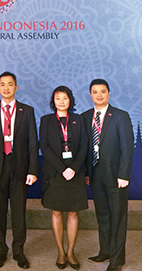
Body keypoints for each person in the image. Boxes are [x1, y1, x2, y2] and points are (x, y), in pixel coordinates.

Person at [0, 71, 39, 269]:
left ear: (16, 87)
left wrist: (33, 170)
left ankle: (19, 251)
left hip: (20, 168)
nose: (6, 88)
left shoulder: (27, 111)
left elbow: (33, 143)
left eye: (10, 84)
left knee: (18, 211)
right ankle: (0, 251)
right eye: (3, 84)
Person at [81, 79, 134, 271]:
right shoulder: (85, 117)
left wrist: (124, 174)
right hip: (95, 176)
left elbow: (128, 149)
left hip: (116, 177)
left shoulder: (120, 116)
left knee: (118, 217)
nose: (99, 95)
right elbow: (85, 148)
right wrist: (87, 173)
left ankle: (117, 259)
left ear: (109, 93)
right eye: (95, 92)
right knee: (102, 215)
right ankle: (105, 251)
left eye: (103, 91)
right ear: (90, 94)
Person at [39, 86, 88, 270]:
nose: (61, 101)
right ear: (53, 101)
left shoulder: (78, 119)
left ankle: (71, 252)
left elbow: (84, 146)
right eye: (57, 98)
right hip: (56, 174)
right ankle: (60, 251)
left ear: (70, 100)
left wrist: (73, 168)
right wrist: (62, 169)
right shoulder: (46, 120)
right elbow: (44, 147)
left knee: (73, 213)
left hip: (75, 173)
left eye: (65, 97)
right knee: (57, 212)